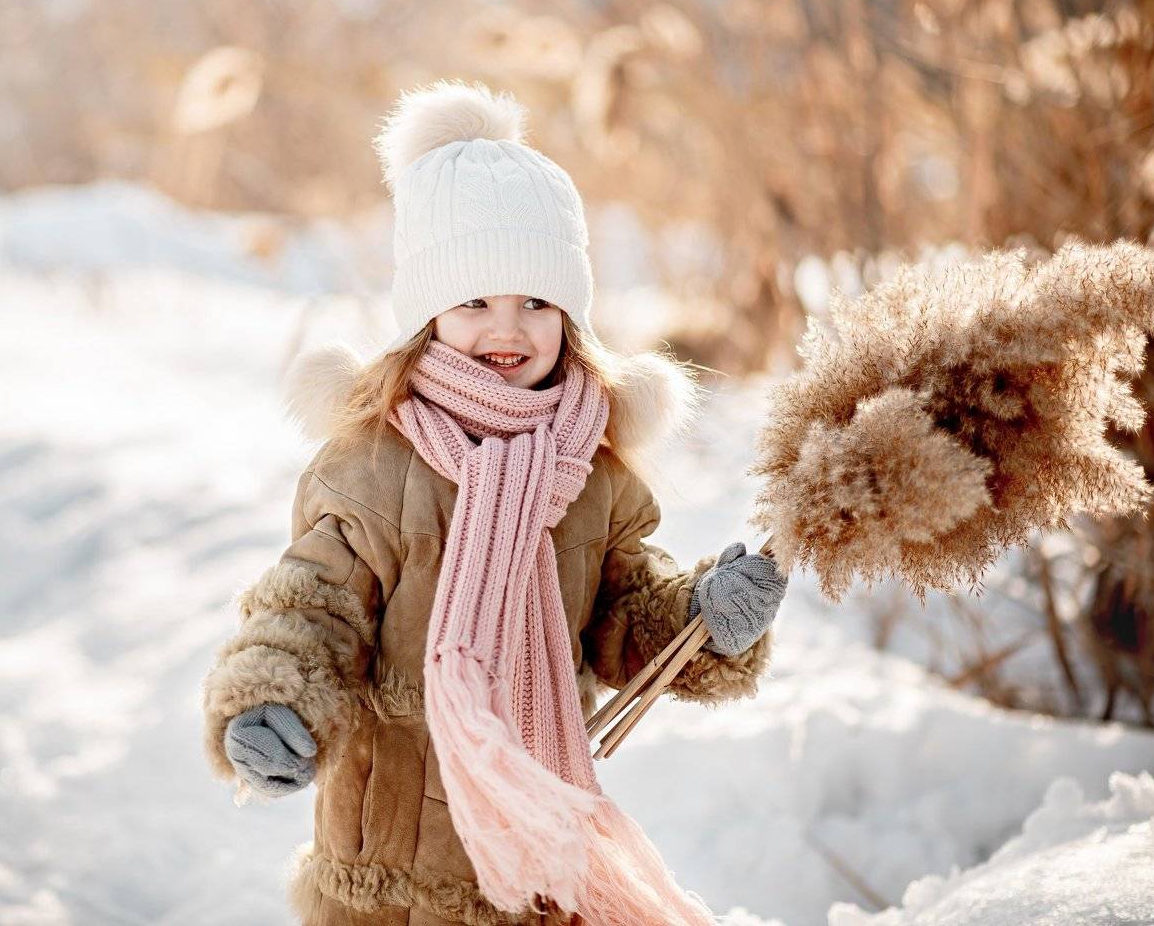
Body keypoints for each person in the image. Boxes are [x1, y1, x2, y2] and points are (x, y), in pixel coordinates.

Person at [201, 80, 787, 926]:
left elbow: (628, 614)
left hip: (539, 866)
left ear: (571, 316)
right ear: (426, 314)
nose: (505, 328)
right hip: (386, 871)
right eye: (474, 301)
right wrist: (273, 701)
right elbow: (309, 611)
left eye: (536, 302)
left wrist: (703, 620)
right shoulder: (370, 465)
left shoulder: (594, 470)